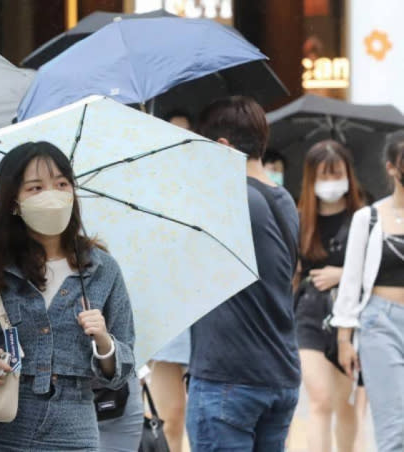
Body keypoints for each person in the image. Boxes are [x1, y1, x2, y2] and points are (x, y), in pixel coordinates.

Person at [0, 141, 136, 451]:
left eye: (61, 184)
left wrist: (103, 341)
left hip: (74, 425)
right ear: (13, 201)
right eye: (35, 188)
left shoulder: (102, 268)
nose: (51, 196)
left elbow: (122, 370)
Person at [187, 96, 301, 451]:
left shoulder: (230, 200)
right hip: (278, 375)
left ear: (222, 147)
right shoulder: (283, 199)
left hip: (230, 379)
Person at [334, 130, 404, 452]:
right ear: (391, 167)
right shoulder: (369, 218)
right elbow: (350, 281)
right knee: (394, 426)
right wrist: (344, 339)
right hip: (381, 323)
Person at [295, 140, 365, 452]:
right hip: (308, 314)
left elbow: (378, 270)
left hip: (349, 318)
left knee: (344, 403)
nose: (331, 183)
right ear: (312, 178)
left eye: (337, 174)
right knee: (320, 400)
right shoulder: (299, 217)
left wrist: (343, 275)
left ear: (349, 176)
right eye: (324, 175)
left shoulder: (364, 218)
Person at [148, 106, 194, 452]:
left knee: (202, 416)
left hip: (206, 311)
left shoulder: (203, 189)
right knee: (170, 417)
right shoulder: (147, 192)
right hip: (167, 316)